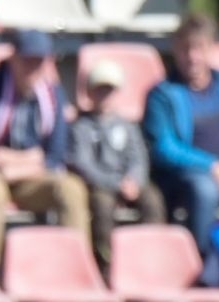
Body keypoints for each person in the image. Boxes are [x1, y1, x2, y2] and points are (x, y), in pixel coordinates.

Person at [0, 29, 91, 269]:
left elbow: (55, 154)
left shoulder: (53, 95)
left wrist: (9, 167)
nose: (33, 68)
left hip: (21, 178)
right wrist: (29, 159)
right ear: (13, 58)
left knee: (71, 189)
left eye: (39, 61)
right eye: (27, 60)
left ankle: (75, 268)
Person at [145, 14, 219, 288]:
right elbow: (164, 148)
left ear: (212, 49)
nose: (192, 57)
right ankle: (202, 267)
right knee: (205, 189)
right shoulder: (163, 94)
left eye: (199, 48)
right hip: (184, 177)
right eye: (185, 49)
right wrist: (213, 167)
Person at [71, 59, 167, 269]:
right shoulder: (81, 127)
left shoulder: (128, 126)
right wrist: (115, 184)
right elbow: (83, 164)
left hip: (129, 182)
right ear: (89, 92)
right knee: (102, 207)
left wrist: (134, 179)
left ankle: (150, 259)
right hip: (101, 185)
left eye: (109, 90)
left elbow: (138, 157)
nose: (104, 95)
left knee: (153, 200)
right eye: (99, 90)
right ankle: (107, 263)